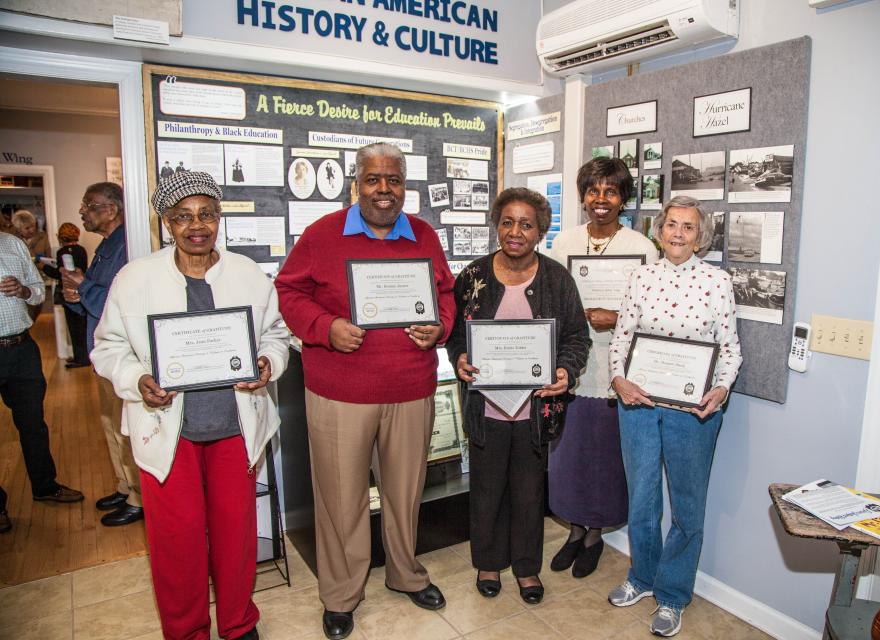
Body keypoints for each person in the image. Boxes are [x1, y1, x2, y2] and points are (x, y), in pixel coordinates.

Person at [90, 171, 289, 640]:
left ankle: (238, 624)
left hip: (235, 428)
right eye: (182, 216)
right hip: (167, 431)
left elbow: (277, 334)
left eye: (205, 214)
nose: (195, 226)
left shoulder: (247, 275)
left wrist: (267, 362)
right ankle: (186, 631)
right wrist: (136, 378)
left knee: (236, 537)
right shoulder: (134, 278)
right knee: (176, 543)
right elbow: (107, 347)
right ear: (166, 223)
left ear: (219, 218)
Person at [275, 142, 455, 640]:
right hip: (339, 390)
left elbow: (444, 293)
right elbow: (288, 290)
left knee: (405, 492)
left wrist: (439, 327)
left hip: (410, 386)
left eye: (393, 180)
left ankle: (405, 574)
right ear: (357, 183)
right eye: (373, 180)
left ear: (405, 186)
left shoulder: (422, 234)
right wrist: (324, 325)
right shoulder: (321, 234)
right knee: (340, 498)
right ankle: (340, 594)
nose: (383, 190)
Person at [446, 187, 590, 606]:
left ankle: (527, 569)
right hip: (486, 408)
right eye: (507, 222)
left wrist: (566, 369)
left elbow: (577, 337)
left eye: (526, 224)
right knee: (487, 491)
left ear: (540, 231)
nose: (515, 231)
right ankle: (488, 563)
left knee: (529, 494)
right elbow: (455, 336)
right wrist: (459, 359)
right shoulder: (472, 277)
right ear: (496, 225)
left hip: (535, 410)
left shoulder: (557, 279)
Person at [606, 195, 742, 637]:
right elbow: (622, 338)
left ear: (699, 235)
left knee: (688, 507)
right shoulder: (641, 277)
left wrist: (721, 390)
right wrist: (618, 380)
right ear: (659, 230)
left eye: (687, 226)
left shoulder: (716, 282)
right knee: (641, 500)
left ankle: (672, 594)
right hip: (640, 405)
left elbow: (731, 348)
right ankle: (643, 578)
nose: (678, 233)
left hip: (693, 412)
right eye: (671, 224)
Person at [546, 158, 658, 578]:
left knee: (607, 458)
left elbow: (652, 313)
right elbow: (551, 298)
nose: (600, 199)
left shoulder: (642, 248)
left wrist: (617, 316)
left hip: (616, 369)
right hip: (572, 365)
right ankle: (574, 531)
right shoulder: (564, 242)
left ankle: (595, 535)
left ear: (623, 198)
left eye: (610, 191)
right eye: (593, 190)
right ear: (582, 196)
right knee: (570, 456)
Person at [60, 182, 141, 526]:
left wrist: (84, 286)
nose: (83, 212)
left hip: (119, 352)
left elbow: (120, 301)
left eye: (89, 205)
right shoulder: (107, 245)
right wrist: (80, 294)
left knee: (125, 427)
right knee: (110, 424)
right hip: (103, 352)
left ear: (112, 209)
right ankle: (125, 486)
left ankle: (138, 496)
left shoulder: (127, 246)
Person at [0, 231, 84, 534]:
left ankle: (45, 485)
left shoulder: (12, 244)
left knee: (33, 423)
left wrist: (24, 291)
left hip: (21, 348)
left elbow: (38, 290)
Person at [40, 222, 90, 368]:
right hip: (81, 291)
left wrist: (44, 267)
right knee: (82, 326)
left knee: (74, 327)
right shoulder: (81, 250)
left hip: (68, 293)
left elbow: (60, 274)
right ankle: (84, 356)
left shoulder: (62, 252)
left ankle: (80, 359)